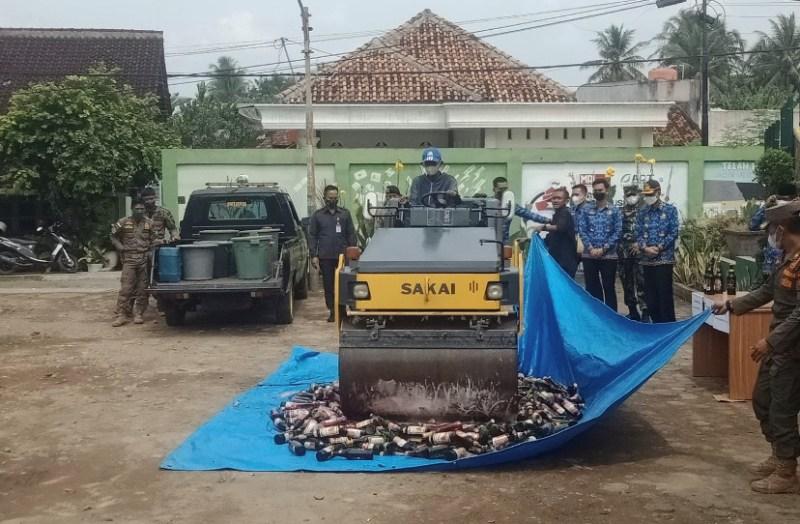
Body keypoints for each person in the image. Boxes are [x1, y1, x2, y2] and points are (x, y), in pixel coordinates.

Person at [712, 200, 800, 494]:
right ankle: (779, 455)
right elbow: (766, 291)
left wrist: (770, 341)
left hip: (791, 350)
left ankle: (787, 472)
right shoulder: (787, 258)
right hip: (780, 348)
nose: (770, 235)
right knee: (763, 401)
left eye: (772, 230)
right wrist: (733, 305)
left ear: (782, 229)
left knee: (782, 410)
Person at [309, 185, 357, 322]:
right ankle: (332, 310)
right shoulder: (318, 216)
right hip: (325, 257)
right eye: (330, 198)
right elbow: (312, 236)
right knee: (329, 286)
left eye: (335, 198)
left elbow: (351, 234)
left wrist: (352, 252)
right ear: (325, 198)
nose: (333, 200)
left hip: (343, 256)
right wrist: (314, 255)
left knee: (344, 284)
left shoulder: (344, 214)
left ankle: (343, 310)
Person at [636, 180, 679, 323]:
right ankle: (656, 326)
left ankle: (668, 327)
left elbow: (673, 232)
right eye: (645, 195)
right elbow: (638, 232)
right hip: (647, 260)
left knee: (664, 297)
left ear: (658, 192)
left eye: (651, 194)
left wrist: (660, 247)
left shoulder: (670, 210)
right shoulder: (642, 212)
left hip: (664, 259)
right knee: (651, 299)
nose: (648, 197)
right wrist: (645, 247)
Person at [578, 178, 621, 310]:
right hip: (589, 256)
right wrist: (591, 248)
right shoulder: (586, 210)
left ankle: (612, 319)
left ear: (606, 191)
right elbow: (582, 229)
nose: (598, 192)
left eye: (600, 190)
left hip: (609, 256)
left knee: (608, 287)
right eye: (595, 190)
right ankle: (596, 317)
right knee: (592, 287)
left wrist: (603, 249)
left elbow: (617, 231)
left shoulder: (614, 210)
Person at [515, 187, 578, 277]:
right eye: (553, 198)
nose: (555, 200)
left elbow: (560, 227)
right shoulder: (557, 215)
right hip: (557, 260)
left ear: (566, 200)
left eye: (559, 198)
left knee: (563, 288)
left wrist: (543, 227)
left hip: (565, 261)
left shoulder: (565, 212)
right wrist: (528, 240)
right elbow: (549, 238)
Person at [110, 200, 153, 327]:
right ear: (132, 209)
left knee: (142, 289)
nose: (140, 211)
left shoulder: (149, 223)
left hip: (144, 259)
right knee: (126, 288)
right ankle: (121, 314)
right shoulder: (123, 222)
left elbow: (154, 239)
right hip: (129, 259)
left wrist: (152, 250)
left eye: (142, 209)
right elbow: (113, 236)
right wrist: (120, 247)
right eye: (137, 208)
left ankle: (138, 313)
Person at [618, 185, 649, 322]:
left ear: (639, 195)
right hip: (623, 252)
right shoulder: (619, 212)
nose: (631, 197)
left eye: (633, 194)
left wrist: (639, 244)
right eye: (628, 195)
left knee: (642, 282)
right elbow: (616, 229)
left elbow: (648, 231)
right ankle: (632, 310)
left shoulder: (645, 211)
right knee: (626, 282)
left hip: (640, 252)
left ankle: (645, 312)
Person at [493, 177, 513, 243]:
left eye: (505, 189)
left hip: (504, 242)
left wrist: (545, 222)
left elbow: (529, 215)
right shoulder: (489, 204)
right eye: (501, 189)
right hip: (489, 240)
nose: (503, 192)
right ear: (494, 189)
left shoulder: (510, 204)